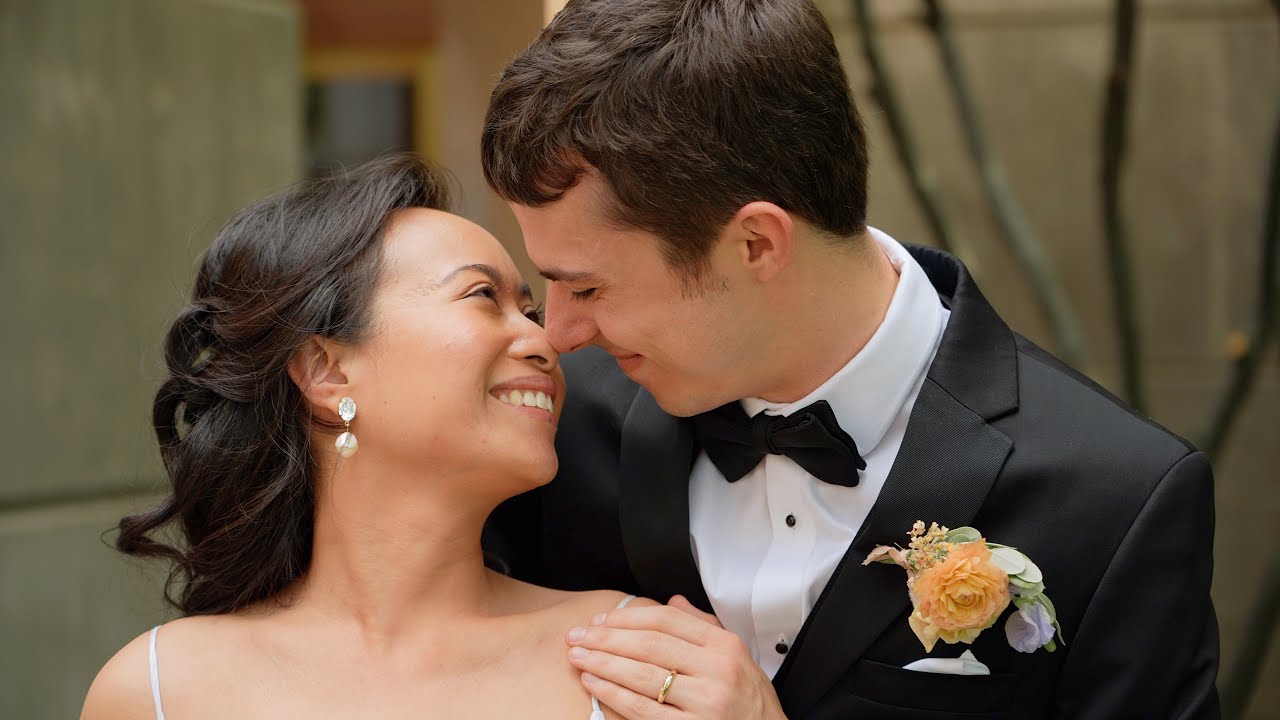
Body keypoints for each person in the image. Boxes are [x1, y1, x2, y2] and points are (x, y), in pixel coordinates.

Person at [480, 1, 1221, 718]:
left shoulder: (1118, 499)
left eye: (587, 286)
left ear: (757, 244)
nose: (561, 332)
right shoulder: (556, 434)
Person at [81, 155, 650, 720]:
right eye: (482, 296)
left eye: (528, 310)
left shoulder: (628, 662)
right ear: (326, 371)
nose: (545, 341)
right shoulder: (157, 690)